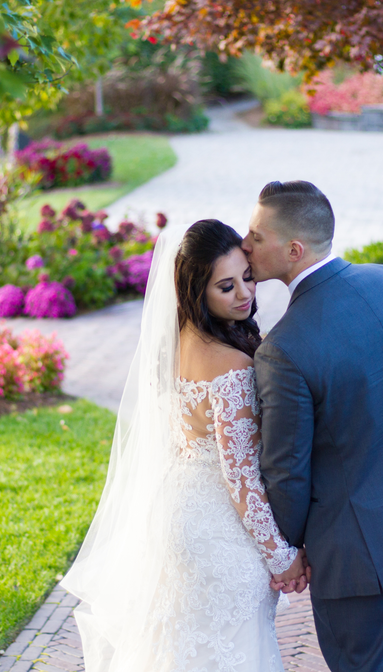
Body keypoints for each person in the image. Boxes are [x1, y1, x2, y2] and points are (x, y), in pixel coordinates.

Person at [243, 180, 383, 671]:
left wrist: (288, 550)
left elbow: (287, 471)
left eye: (256, 236)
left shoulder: (283, 350)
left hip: (352, 554)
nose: (246, 245)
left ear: (293, 249)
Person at [62, 219, 305, 671]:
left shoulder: (173, 346)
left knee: (182, 646)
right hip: (221, 530)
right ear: (197, 292)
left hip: (177, 515)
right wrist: (282, 558)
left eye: (247, 278)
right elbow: (241, 479)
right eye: (226, 287)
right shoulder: (231, 365)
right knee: (232, 649)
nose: (244, 295)